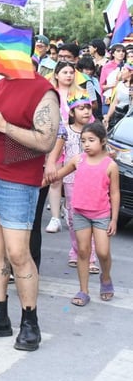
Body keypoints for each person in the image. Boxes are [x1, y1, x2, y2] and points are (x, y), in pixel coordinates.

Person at [0, 65, 59, 352]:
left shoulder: (44, 92)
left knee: (18, 253)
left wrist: (3, 125)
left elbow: (45, 141)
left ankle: (30, 323)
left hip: (18, 182)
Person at [54, 122, 118, 306]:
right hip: (80, 213)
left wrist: (113, 219)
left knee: (103, 252)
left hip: (101, 215)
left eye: (91, 140)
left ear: (103, 141)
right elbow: (59, 174)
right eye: (83, 141)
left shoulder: (110, 165)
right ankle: (83, 290)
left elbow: (114, 193)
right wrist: (38, 183)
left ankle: (105, 278)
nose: (87, 144)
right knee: (83, 251)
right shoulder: (78, 160)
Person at [46, 99, 99, 272]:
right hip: (70, 180)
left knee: (89, 217)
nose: (86, 112)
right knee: (72, 218)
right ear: (71, 112)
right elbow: (59, 155)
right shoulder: (65, 132)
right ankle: (76, 251)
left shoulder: (96, 131)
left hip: (91, 181)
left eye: (88, 108)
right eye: (81, 108)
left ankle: (89, 257)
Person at [45, 60, 77, 233]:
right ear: (56, 74)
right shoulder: (50, 94)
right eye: (65, 72)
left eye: (71, 72)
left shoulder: (79, 93)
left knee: (73, 180)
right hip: (56, 141)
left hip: (74, 141)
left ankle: (71, 211)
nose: (68, 75)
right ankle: (55, 217)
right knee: (55, 179)